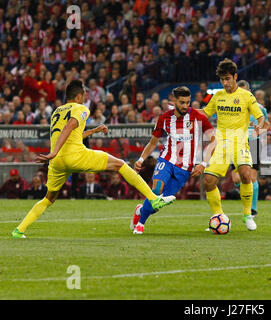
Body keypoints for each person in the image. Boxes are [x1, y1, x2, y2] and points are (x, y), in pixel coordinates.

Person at [11, 80, 175, 239]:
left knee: (49, 198)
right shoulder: (81, 109)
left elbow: (71, 134)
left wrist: (94, 131)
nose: (84, 98)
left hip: (57, 162)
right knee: (120, 165)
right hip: (74, 156)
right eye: (83, 95)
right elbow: (70, 127)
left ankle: (19, 230)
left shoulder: (56, 112)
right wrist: (53, 152)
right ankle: (153, 199)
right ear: (78, 97)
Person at [130, 86, 216, 235]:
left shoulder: (198, 117)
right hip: (167, 159)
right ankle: (140, 224)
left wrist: (203, 164)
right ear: (173, 100)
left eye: (188, 102)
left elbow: (214, 141)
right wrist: (141, 159)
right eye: (182, 102)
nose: (185, 106)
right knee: (156, 190)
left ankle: (140, 211)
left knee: (158, 204)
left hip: (185, 168)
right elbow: (152, 143)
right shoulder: (164, 119)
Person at [198, 59, 265, 231]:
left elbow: (260, 117)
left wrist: (259, 124)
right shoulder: (218, 96)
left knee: (245, 174)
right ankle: (218, 215)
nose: (225, 83)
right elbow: (205, 113)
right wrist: (187, 112)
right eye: (222, 79)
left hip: (240, 143)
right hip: (221, 145)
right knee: (209, 181)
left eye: (228, 78)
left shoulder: (246, 96)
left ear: (235, 76)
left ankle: (247, 214)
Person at [230, 80, 270, 217]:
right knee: (236, 179)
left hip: (253, 143)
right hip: (237, 143)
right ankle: (244, 193)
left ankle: (253, 209)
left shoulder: (258, 107)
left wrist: (260, 131)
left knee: (252, 176)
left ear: (249, 91)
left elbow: (267, 125)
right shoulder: (233, 106)